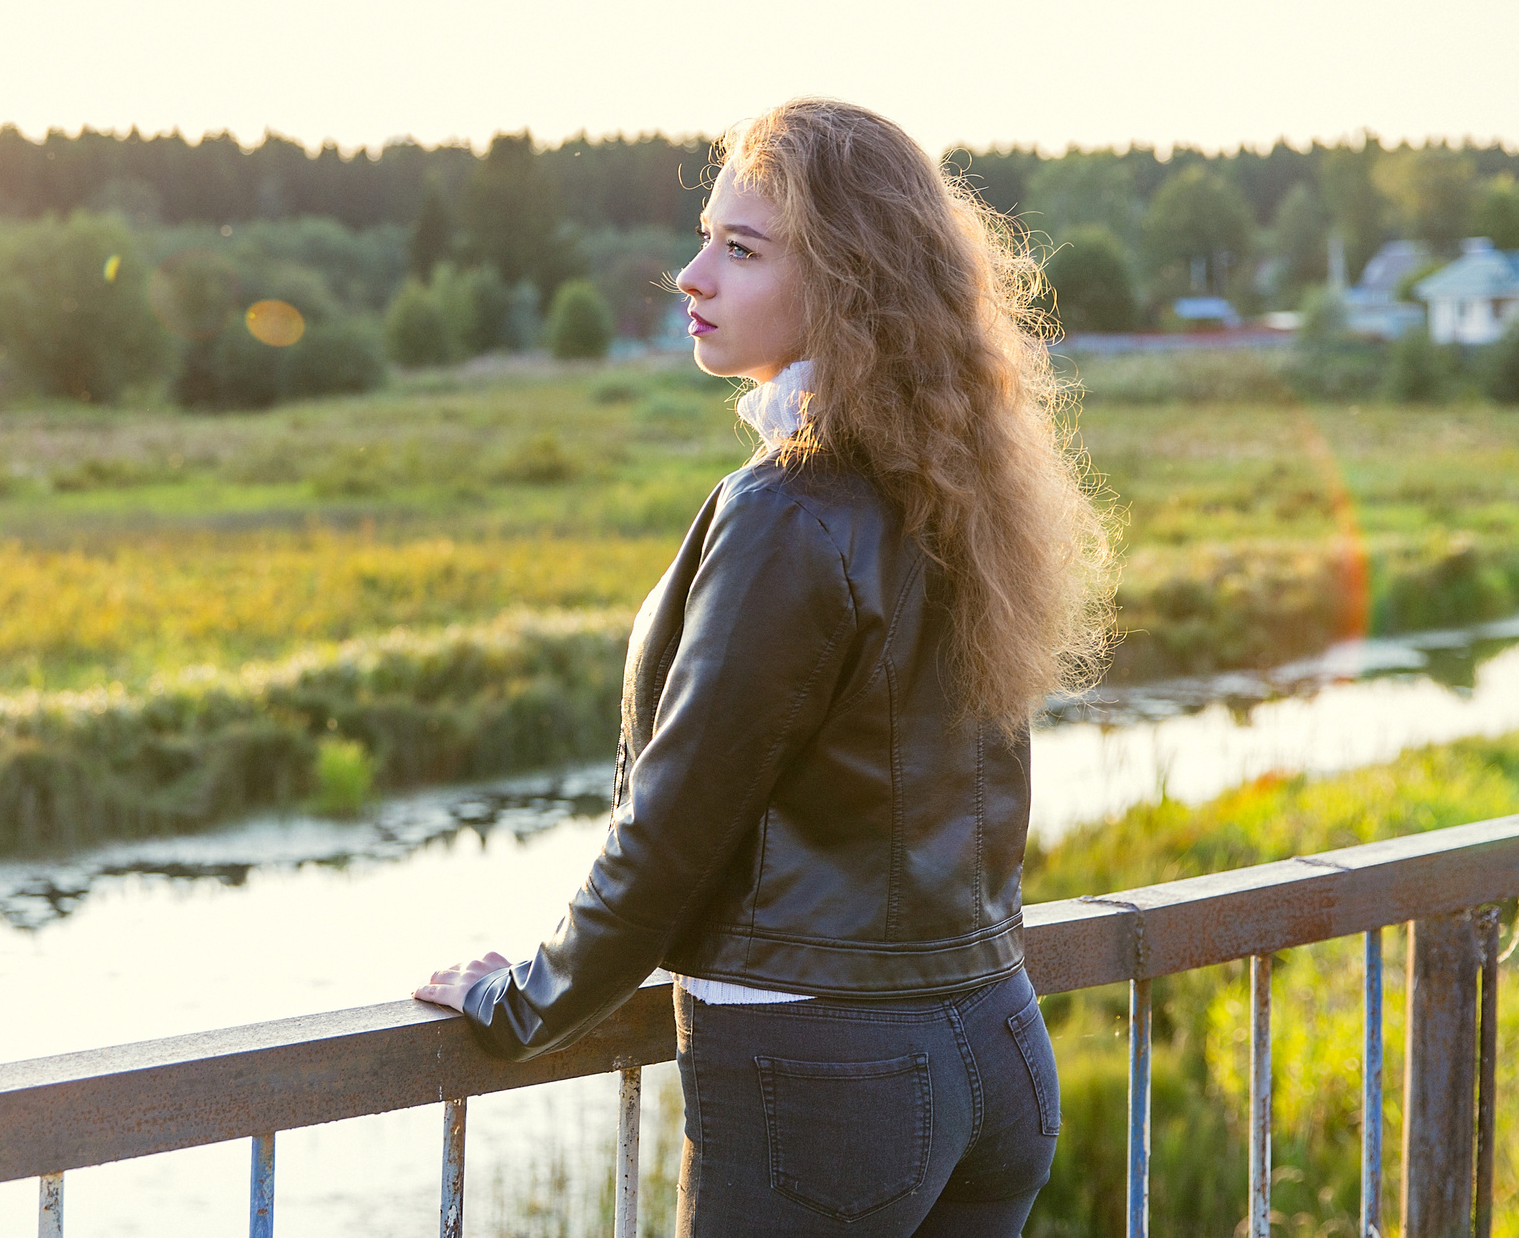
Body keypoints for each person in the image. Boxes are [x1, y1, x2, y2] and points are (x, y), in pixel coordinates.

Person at [414, 98, 1113, 1236]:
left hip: (828, 1081)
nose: (689, 276)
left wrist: (519, 1001)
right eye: (704, 240)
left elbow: (671, 828)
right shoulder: (957, 486)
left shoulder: (788, 511)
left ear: (846, 279)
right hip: (993, 1046)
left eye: (739, 250)